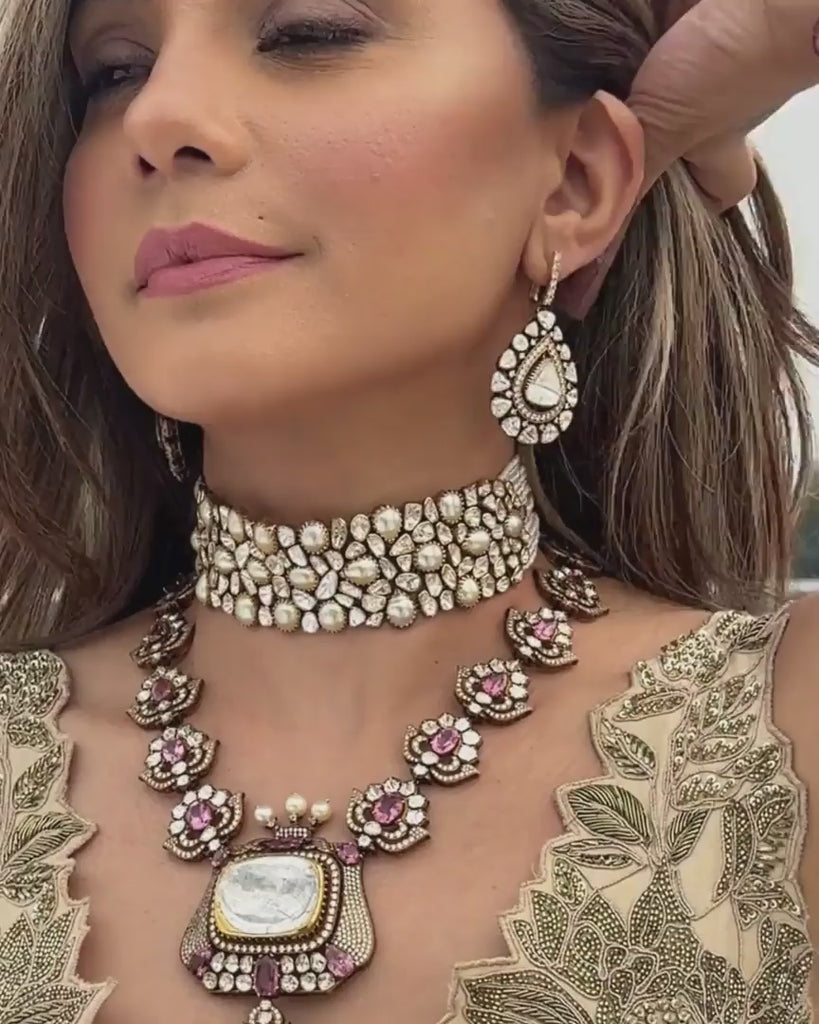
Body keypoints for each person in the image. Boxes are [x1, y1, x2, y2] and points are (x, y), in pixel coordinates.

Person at [0, 1, 817, 1022]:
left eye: (308, 31)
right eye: (114, 73)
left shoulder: (783, 732)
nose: (158, 117)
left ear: (573, 181)